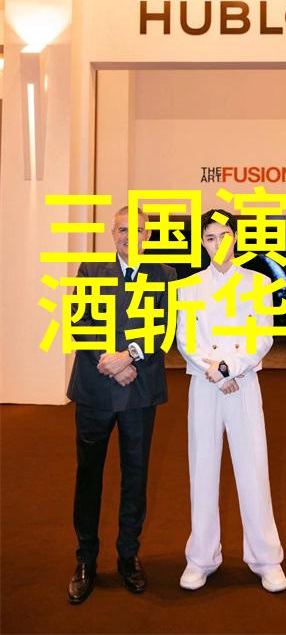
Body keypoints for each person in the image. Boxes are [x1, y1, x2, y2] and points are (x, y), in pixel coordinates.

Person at [66, 206, 177, 604]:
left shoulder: (164, 275)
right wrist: (108, 361)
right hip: (95, 389)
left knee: (135, 476)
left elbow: (165, 326)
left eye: (140, 229)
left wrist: (128, 356)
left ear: (149, 235)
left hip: (139, 390)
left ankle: (128, 556)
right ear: (113, 233)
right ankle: (85, 559)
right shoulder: (91, 270)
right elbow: (80, 321)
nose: (132, 235)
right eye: (124, 229)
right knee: (89, 475)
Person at [176, 209, 286, 593]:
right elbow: (185, 337)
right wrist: (213, 370)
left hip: (243, 382)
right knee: (202, 470)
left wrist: (229, 368)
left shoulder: (258, 282)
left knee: (253, 469)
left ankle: (266, 559)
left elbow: (263, 336)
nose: (218, 243)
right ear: (202, 243)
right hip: (204, 384)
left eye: (224, 235)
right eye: (210, 237)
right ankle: (201, 558)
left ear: (235, 237)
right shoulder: (188, 287)